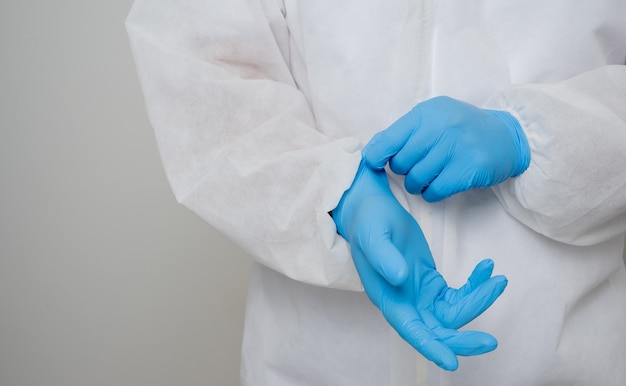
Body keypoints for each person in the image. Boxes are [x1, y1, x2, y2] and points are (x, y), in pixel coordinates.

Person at [126, 1, 626, 384]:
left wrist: (536, 138)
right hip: (316, 362)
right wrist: (335, 195)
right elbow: (199, 65)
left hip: (564, 355)